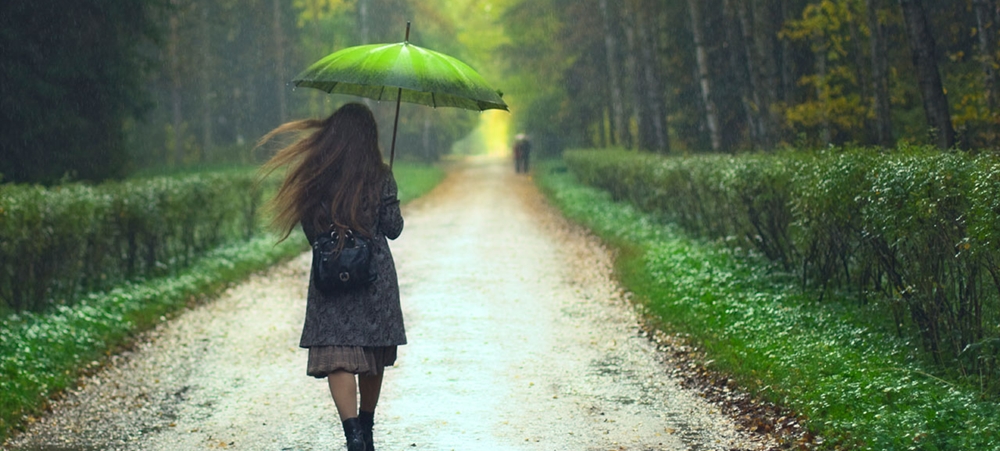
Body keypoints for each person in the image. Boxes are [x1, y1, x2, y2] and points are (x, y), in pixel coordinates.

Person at [257, 103, 405, 451]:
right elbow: (393, 229)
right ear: (369, 138)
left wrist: (334, 244)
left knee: (339, 353)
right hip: (374, 276)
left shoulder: (317, 174)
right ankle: (367, 429)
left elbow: (311, 228)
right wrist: (389, 194)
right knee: (372, 350)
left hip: (330, 273)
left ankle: (352, 434)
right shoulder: (380, 174)